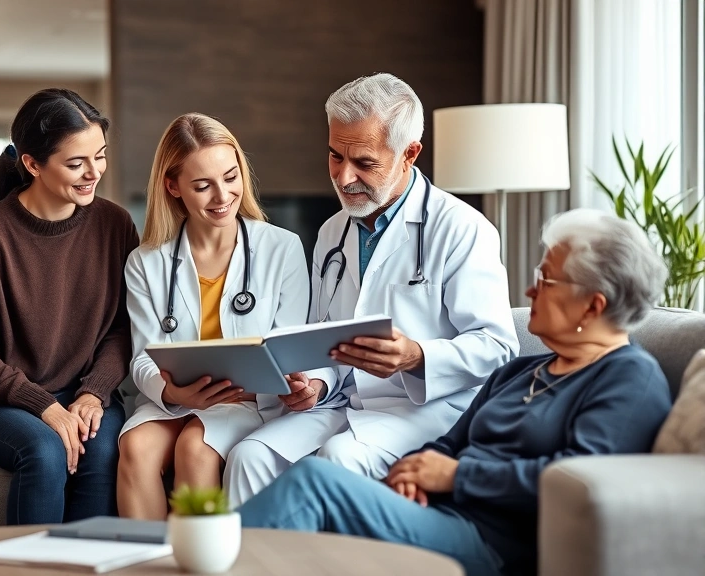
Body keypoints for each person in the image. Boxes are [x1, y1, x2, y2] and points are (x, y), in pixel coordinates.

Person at [238, 208, 674, 576]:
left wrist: (456, 476)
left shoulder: (628, 379)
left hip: (493, 541)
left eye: (546, 280)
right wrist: (412, 473)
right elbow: (449, 443)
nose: (529, 291)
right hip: (440, 513)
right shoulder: (520, 372)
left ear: (593, 305)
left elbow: (576, 481)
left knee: (318, 483)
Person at [224, 72, 520, 506]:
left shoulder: (462, 229)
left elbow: (498, 346)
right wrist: (315, 384)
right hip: (346, 403)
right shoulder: (332, 232)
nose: (344, 178)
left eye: (364, 163)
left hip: (428, 409)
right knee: (250, 456)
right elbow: (324, 337)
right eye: (335, 156)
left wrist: (416, 356)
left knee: (338, 460)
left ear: (409, 154)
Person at [0, 88, 140, 525]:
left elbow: (123, 327)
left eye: (100, 156)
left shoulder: (116, 225)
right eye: (76, 163)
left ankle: (88, 559)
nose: (93, 172)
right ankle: (30, 560)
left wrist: (94, 392)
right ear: (32, 164)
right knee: (46, 449)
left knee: (104, 451)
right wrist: (43, 406)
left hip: (81, 391)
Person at [116, 113, 310, 519]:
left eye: (230, 177)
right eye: (202, 186)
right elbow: (143, 358)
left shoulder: (283, 248)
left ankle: (196, 552)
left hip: (246, 401)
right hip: (173, 400)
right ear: (173, 187)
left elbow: (288, 349)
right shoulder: (145, 262)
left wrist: (279, 384)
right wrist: (175, 394)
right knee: (135, 446)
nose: (222, 196)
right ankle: (146, 554)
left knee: (195, 447)